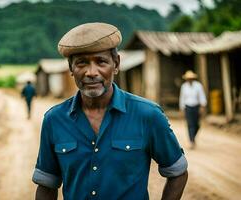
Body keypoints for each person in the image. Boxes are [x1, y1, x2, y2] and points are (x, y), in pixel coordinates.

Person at [32, 22, 188, 200]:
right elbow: (46, 186)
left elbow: (177, 172)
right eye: (82, 63)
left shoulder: (148, 115)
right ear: (71, 68)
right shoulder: (54, 120)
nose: (91, 72)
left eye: (101, 62)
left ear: (116, 64)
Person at [179, 70, 207, 149]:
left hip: (196, 107)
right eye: (188, 78)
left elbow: (202, 96)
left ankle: (193, 137)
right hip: (188, 107)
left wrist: (202, 106)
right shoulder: (184, 86)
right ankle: (191, 141)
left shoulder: (198, 85)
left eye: (191, 78)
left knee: (197, 125)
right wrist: (181, 108)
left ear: (193, 78)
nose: (189, 79)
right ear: (186, 79)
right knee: (190, 124)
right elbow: (182, 98)